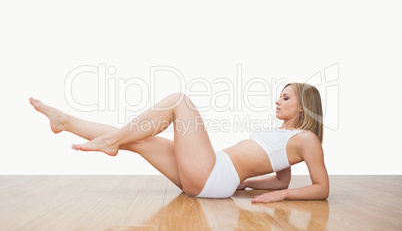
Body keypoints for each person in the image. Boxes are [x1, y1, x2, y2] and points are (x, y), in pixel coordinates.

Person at [29, 82, 329, 203]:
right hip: (218, 173)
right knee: (140, 139)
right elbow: (280, 180)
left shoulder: (307, 139)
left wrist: (283, 197)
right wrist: (249, 183)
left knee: (178, 101)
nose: (278, 100)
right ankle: (66, 122)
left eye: (286, 97)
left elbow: (321, 189)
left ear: (303, 107)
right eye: (280, 95)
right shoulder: (284, 135)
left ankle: (110, 140)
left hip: (215, 175)